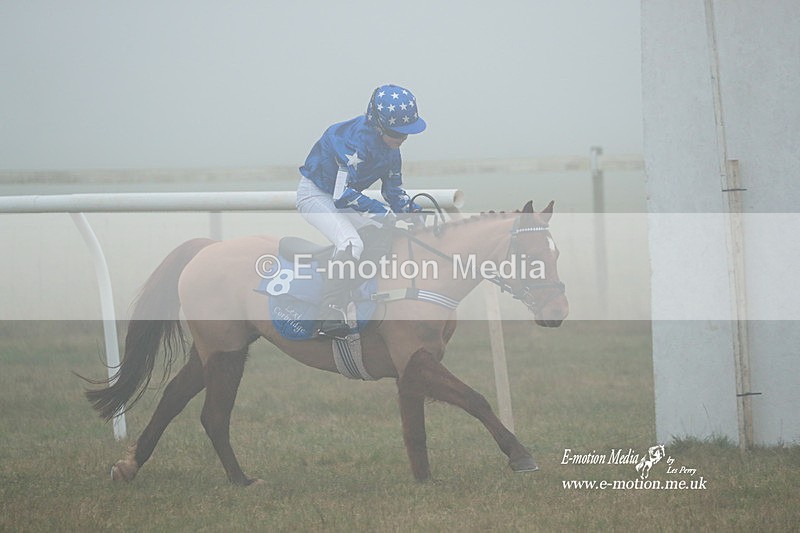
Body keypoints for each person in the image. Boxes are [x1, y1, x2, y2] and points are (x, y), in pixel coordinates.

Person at [296, 83, 426, 337]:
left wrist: (414, 213)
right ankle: (329, 312)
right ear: (378, 125)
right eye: (396, 133)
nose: (401, 139)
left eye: (406, 134)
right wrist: (384, 213)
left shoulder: (391, 151)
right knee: (351, 243)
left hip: (340, 198)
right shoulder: (353, 142)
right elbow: (342, 195)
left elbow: (394, 193)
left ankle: (355, 292)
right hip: (316, 195)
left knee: (383, 234)